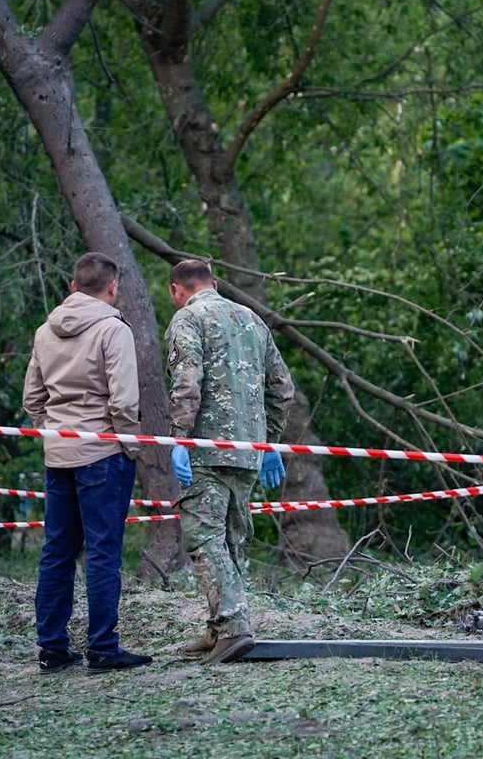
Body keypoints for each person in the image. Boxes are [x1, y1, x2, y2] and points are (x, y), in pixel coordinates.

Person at [22, 253, 152, 675]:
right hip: (103, 454)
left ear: (74, 284)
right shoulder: (113, 329)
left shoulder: (46, 330)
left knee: (57, 552)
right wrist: (127, 444)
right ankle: (103, 648)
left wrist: (55, 430)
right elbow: (125, 399)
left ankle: (53, 649)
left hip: (59, 453)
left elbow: (32, 399)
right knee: (102, 552)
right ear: (112, 287)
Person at [165, 259, 295, 664]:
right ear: (214, 283)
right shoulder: (252, 320)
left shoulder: (188, 319)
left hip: (206, 449)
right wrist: (268, 440)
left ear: (176, 289)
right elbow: (283, 388)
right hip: (248, 451)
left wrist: (179, 439)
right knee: (233, 539)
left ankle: (234, 626)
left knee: (204, 538)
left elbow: (187, 380)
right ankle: (218, 626)